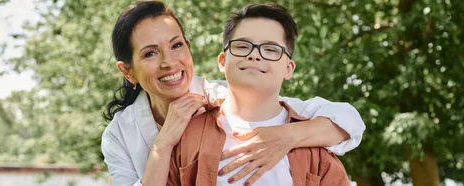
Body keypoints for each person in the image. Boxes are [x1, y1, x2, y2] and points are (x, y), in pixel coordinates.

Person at [101, 1, 364, 186]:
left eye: (177, 45)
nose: (169, 62)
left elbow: (347, 119)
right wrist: (163, 143)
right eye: (150, 53)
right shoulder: (119, 135)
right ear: (128, 71)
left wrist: (287, 136)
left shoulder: (227, 97)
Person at [166, 3, 351, 186]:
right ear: (222, 61)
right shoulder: (189, 134)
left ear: (288, 69)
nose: (255, 55)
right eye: (242, 46)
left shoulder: (314, 147)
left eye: (270, 49)